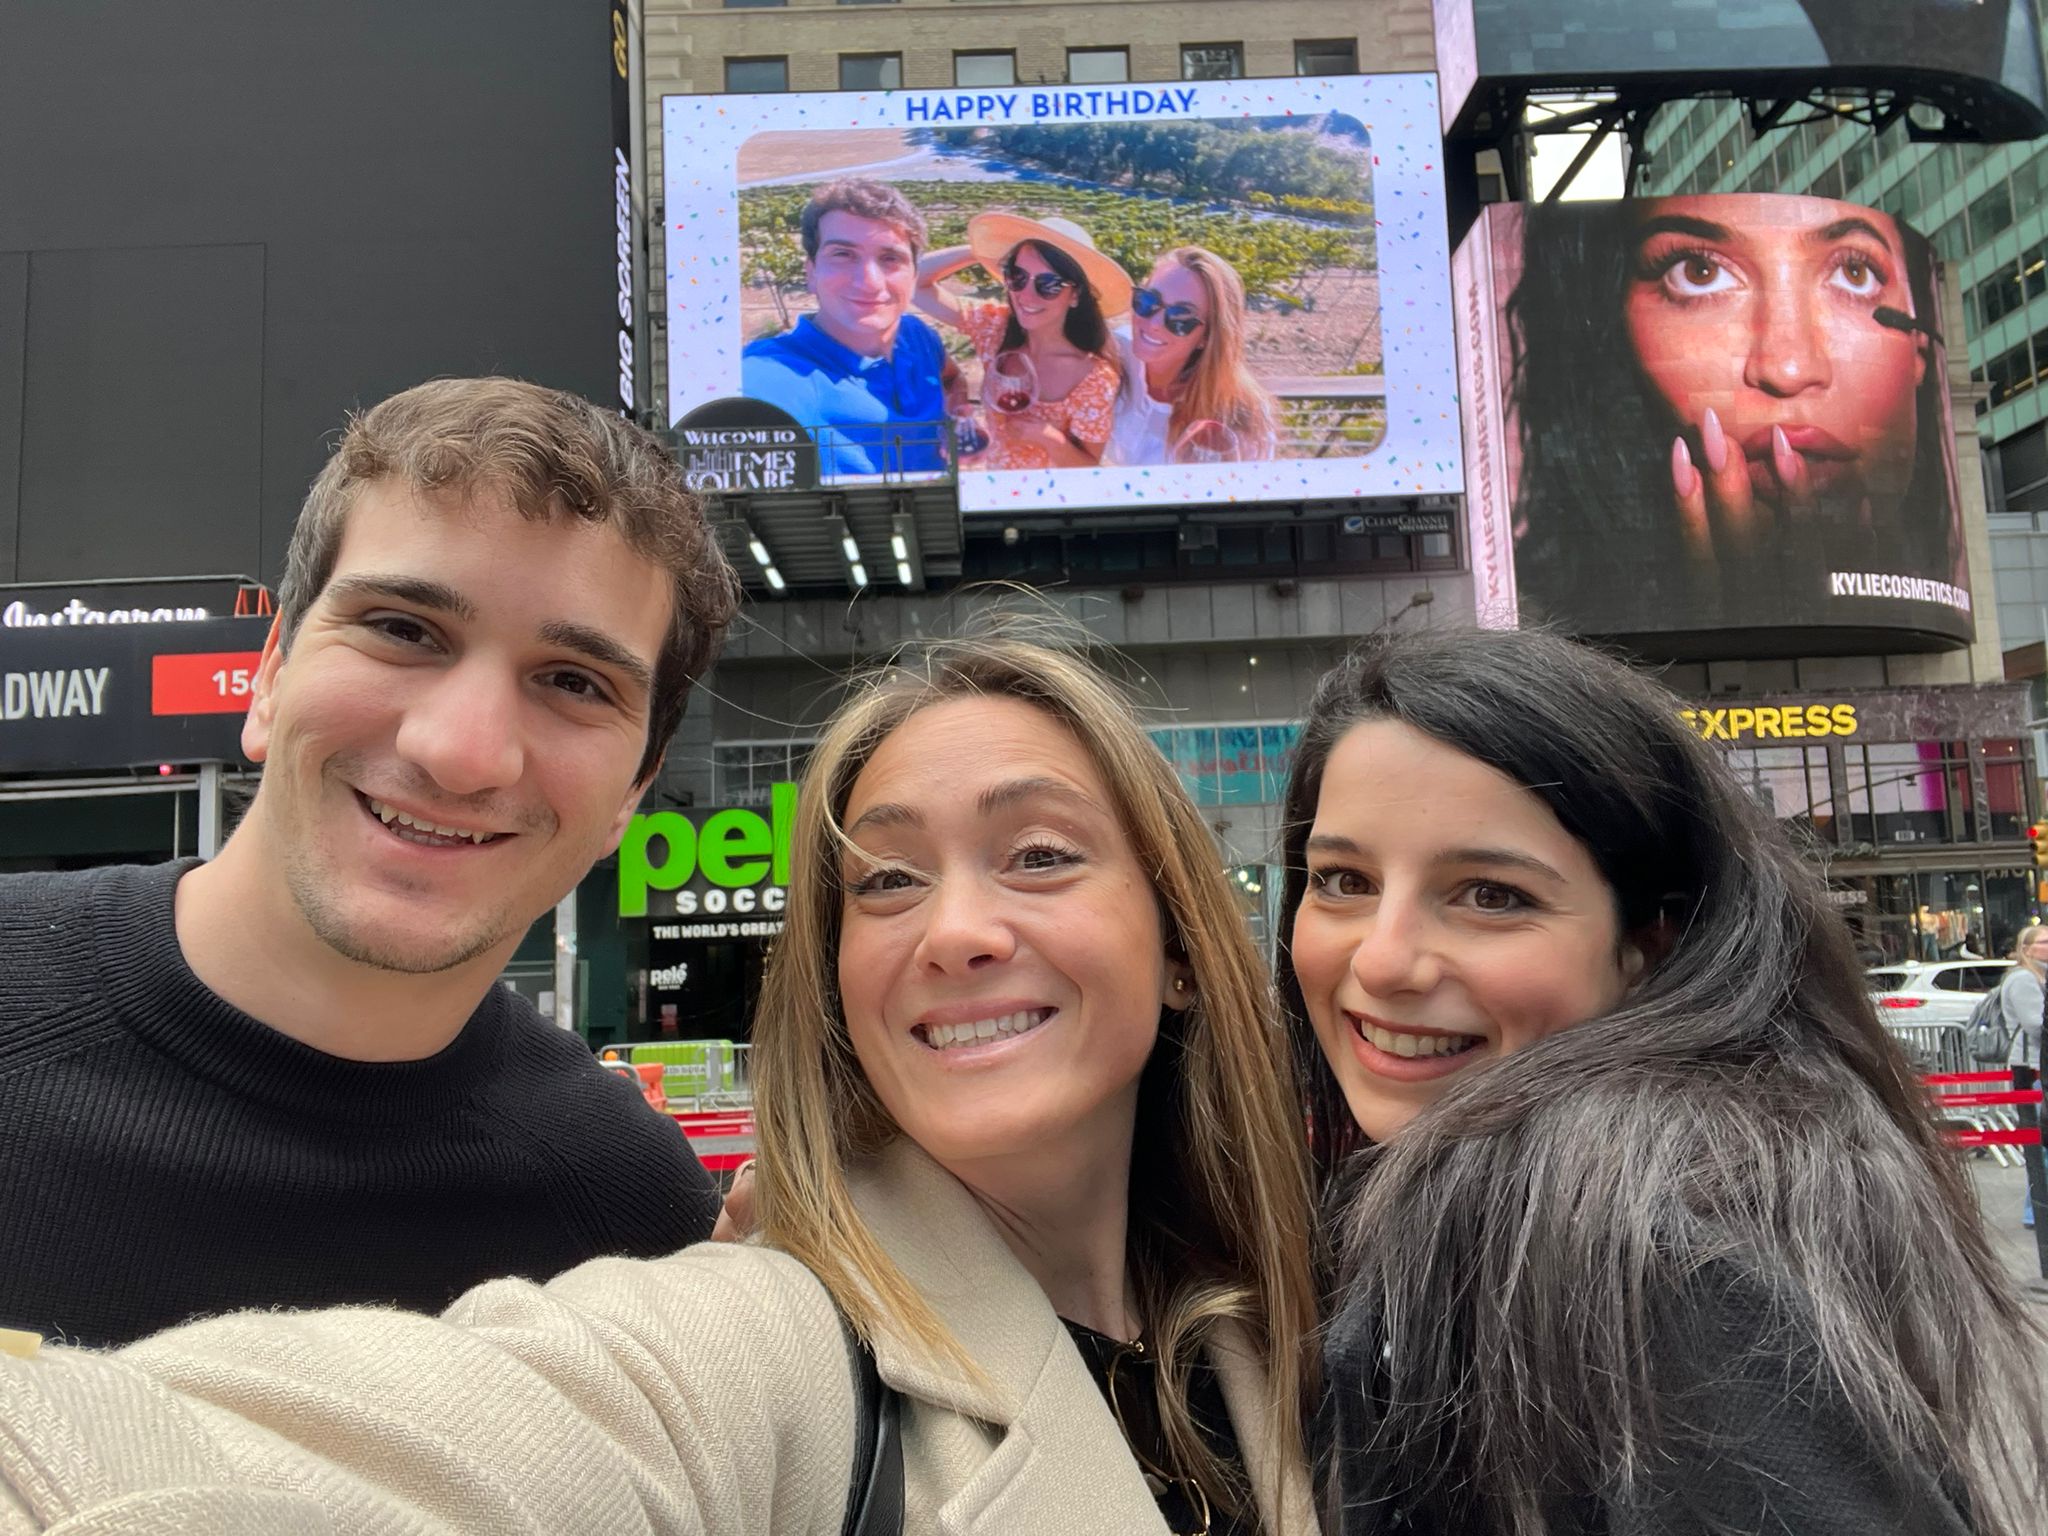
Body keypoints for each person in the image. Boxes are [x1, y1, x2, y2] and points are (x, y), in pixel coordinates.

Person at [0, 636, 1320, 1536]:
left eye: (1037, 855)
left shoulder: (1297, 1330)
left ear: (1185, 955)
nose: (955, 930)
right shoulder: (753, 1354)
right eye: (888, 880)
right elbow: (149, 1467)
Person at [0, 378, 735, 1349]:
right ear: (270, 675)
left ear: (633, 794)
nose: (461, 751)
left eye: (572, 682)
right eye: (403, 629)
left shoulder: (638, 1226)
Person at [1274, 627, 2046, 1535]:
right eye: (1342, 879)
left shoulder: (1658, 1262)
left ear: (1651, 944)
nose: (1385, 958)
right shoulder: (1451, 1213)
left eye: (1491, 894)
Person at [1505, 194, 1965, 636]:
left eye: (1854, 271)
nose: (1787, 368)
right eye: (1699, 272)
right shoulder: (1524, 627)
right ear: (1611, 321)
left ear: (1919, 343)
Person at [741, 178, 954, 479]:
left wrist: (958, 415)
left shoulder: (917, 336)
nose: (869, 282)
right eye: (843, 254)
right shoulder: (770, 377)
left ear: (914, 276)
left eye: (890, 258)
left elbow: (952, 378)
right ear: (811, 273)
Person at [915, 212, 1129, 471]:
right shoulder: (995, 328)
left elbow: (1088, 468)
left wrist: (1047, 437)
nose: (1026, 295)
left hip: (1046, 499)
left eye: (1048, 284)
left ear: (1076, 295)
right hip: (994, 483)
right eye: (1017, 276)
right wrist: (981, 251)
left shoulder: (1094, 378)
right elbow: (915, 281)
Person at [1104, 246, 1278, 468]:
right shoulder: (1116, 353)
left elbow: (1245, 495)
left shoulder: (1239, 419)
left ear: (1208, 336)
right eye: (1148, 301)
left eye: (1180, 317)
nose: (1155, 323)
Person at [2000, 924, 2048, 1226]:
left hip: (2035, 1064)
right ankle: (2037, 1211)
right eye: (2044, 941)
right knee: (2039, 1145)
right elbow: (2035, 1023)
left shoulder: (2037, 976)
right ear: (2027, 948)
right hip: (2031, 1067)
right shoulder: (2024, 978)